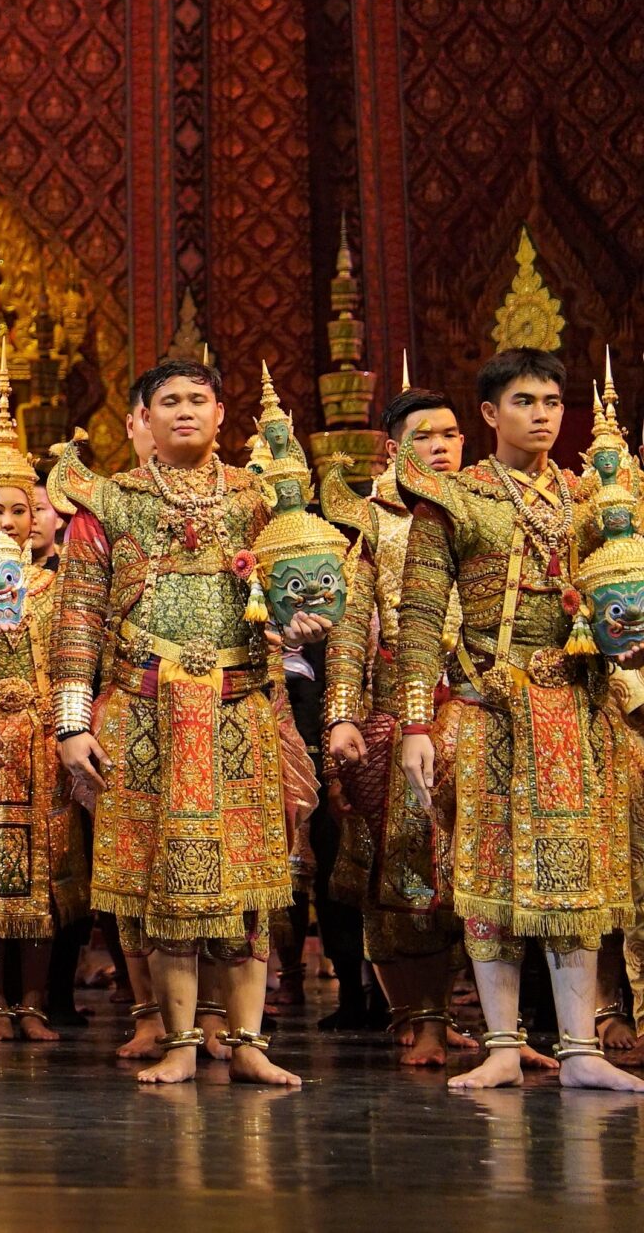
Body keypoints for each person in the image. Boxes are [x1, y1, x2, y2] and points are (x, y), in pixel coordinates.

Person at [52, 358, 312, 1088]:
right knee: (158, 883)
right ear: (143, 416)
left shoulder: (263, 500)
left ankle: (249, 1042)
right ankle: (179, 1040)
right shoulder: (109, 502)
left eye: (200, 398)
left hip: (238, 706)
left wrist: (302, 624)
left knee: (248, 880)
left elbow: (300, 593)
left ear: (222, 414)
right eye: (170, 400)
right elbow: (77, 617)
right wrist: (72, 722)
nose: (186, 410)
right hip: (144, 711)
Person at [398, 348, 643, 1092]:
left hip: (577, 707)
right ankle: (502, 1044)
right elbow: (419, 615)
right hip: (488, 706)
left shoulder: (590, 499)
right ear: (489, 413)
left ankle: (580, 1048)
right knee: (488, 871)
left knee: (577, 873)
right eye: (525, 401)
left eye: (552, 402)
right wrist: (415, 722)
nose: (542, 416)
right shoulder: (454, 498)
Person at [322, 385, 471, 1065]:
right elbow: (351, 627)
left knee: (467, 863)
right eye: (424, 436)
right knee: (403, 868)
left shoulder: (480, 508)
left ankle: (448, 1010)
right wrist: (341, 715)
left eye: (450, 435)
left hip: (471, 704)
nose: (440, 447)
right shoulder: (375, 522)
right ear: (393, 448)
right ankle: (415, 1011)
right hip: (393, 714)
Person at [0, 354, 85, 1045]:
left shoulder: (57, 587)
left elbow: (71, 662)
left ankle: (33, 1002)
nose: (10, 521)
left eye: (22, 509)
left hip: (41, 740)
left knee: (44, 872)